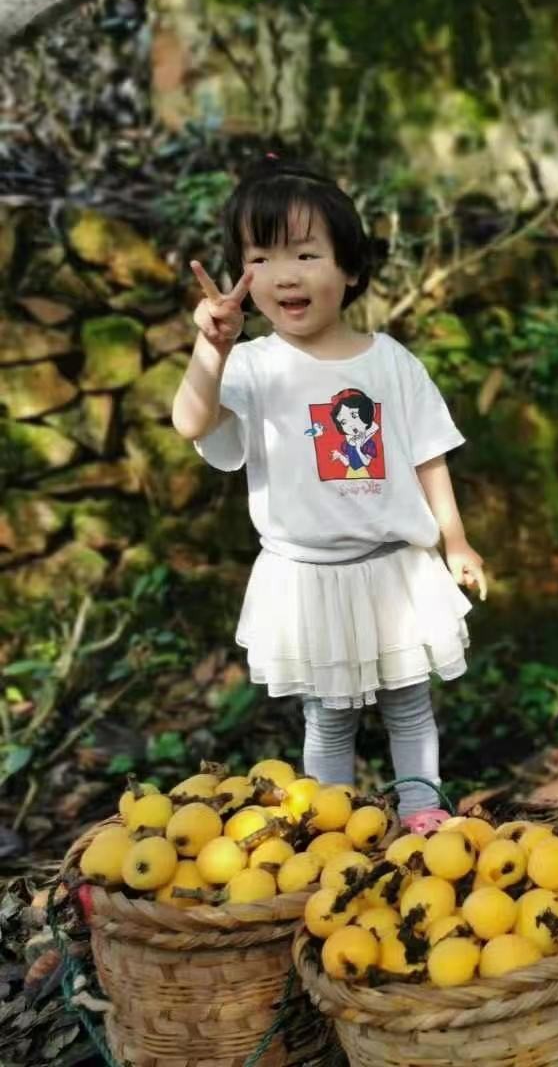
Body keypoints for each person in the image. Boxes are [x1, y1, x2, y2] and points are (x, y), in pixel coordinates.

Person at [170, 155, 485, 833]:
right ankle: (334, 824)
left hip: (393, 569)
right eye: (261, 256)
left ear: (348, 267)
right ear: (241, 276)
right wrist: (211, 350)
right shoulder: (251, 366)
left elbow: (429, 454)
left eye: (306, 253)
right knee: (328, 714)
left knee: (409, 702)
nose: (285, 274)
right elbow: (193, 422)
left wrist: (455, 541)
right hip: (307, 578)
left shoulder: (390, 362)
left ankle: (423, 810)